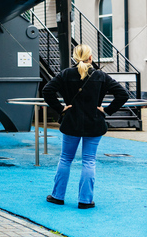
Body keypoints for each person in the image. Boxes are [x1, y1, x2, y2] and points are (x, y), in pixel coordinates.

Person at [42, 44, 128, 209]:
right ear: (90, 58)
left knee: (66, 159)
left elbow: (47, 91)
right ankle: (85, 200)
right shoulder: (101, 76)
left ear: (75, 58)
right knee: (89, 161)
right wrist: (107, 110)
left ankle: (57, 196)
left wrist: (61, 109)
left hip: (71, 123)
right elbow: (122, 94)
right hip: (94, 123)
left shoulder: (66, 74)